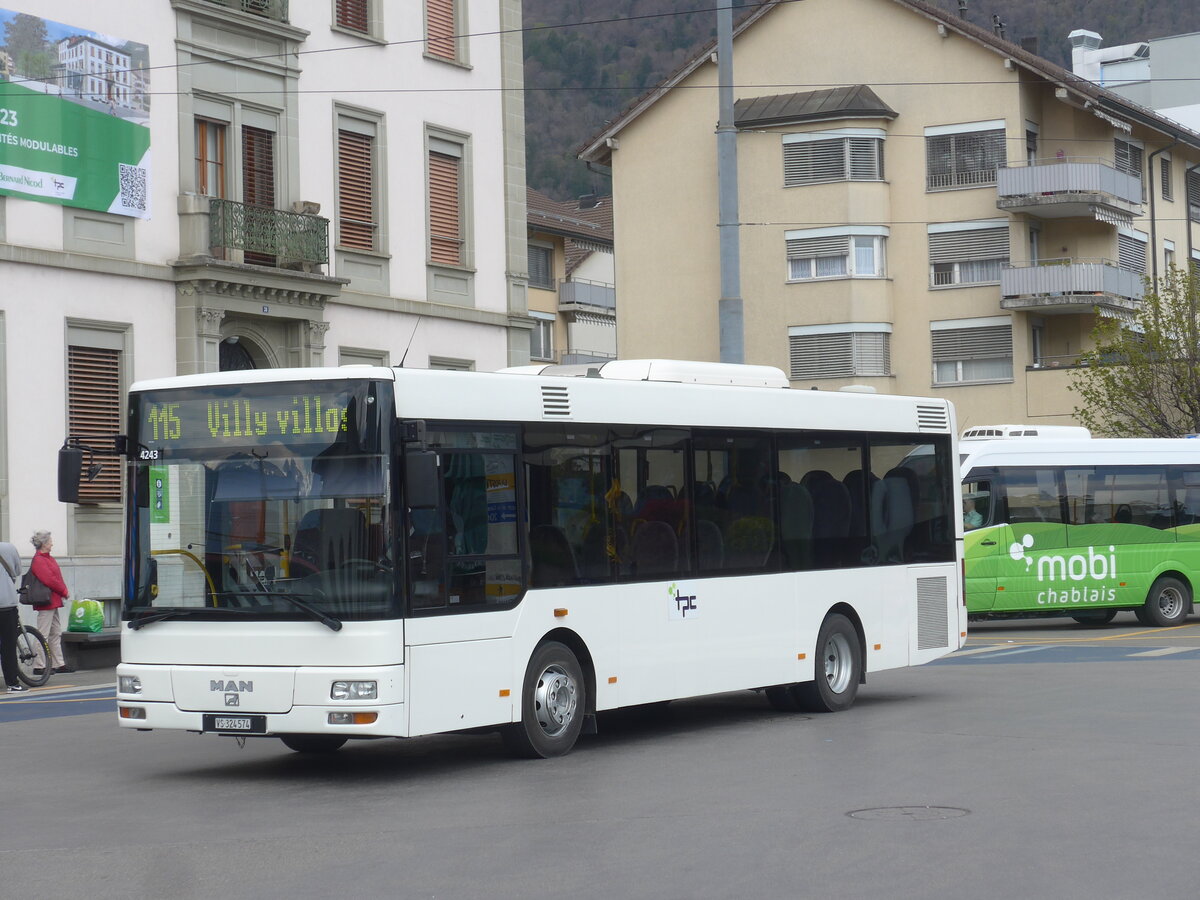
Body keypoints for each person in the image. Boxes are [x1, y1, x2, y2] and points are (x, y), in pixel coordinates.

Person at [29, 531, 72, 674]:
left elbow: (56, 578)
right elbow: (50, 580)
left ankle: (58, 663)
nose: (52, 543)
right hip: (46, 601)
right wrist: (64, 591)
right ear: (44, 544)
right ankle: (38, 665)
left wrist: (62, 591)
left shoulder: (47, 558)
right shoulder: (39, 560)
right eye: (50, 541)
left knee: (55, 633)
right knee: (43, 634)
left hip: (53, 600)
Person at [0, 540, 26, 692]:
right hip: (6, 604)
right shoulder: (8, 547)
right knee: (9, 646)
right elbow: (17, 571)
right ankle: (12, 684)